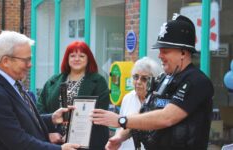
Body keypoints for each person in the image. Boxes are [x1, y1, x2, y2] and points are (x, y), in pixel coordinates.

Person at [91, 13, 214, 150]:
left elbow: (167, 117)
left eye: (165, 51)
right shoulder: (164, 78)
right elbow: (144, 113)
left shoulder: (197, 81)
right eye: (160, 51)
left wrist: (122, 120)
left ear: (183, 53)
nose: (160, 56)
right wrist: (121, 136)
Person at [0, 31, 80, 150]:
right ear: (6, 61)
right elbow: (17, 141)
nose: (30, 64)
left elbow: (24, 120)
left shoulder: (13, 82)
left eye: (30, 59)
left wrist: (52, 118)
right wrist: (60, 149)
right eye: (25, 60)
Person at [36, 40, 110, 150]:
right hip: (56, 144)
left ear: (88, 59)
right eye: (72, 56)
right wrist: (49, 133)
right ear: (67, 59)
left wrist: (73, 136)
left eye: (81, 56)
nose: (76, 59)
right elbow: (40, 110)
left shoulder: (99, 82)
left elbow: (100, 113)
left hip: (89, 143)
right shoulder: (53, 81)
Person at [114, 57, 163, 150]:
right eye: (136, 77)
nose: (138, 82)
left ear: (154, 81)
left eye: (144, 79)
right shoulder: (127, 98)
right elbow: (121, 128)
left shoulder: (159, 101)